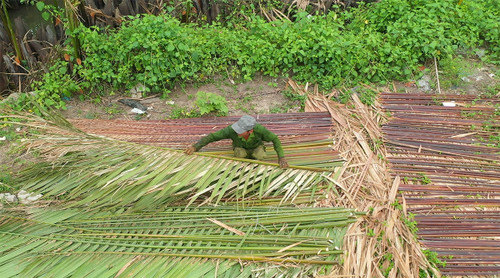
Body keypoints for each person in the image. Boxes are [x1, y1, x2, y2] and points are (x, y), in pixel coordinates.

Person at [184, 115, 289, 168]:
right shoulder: (231, 130)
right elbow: (212, 136)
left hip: (256, 147)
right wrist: (195, 146)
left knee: (261, 156)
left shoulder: (260, 130)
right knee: (239, 155)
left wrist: (281, 157)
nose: (237, 132)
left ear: (250, 131)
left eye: (241, 131)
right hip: (241, 148)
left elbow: (275, 139)